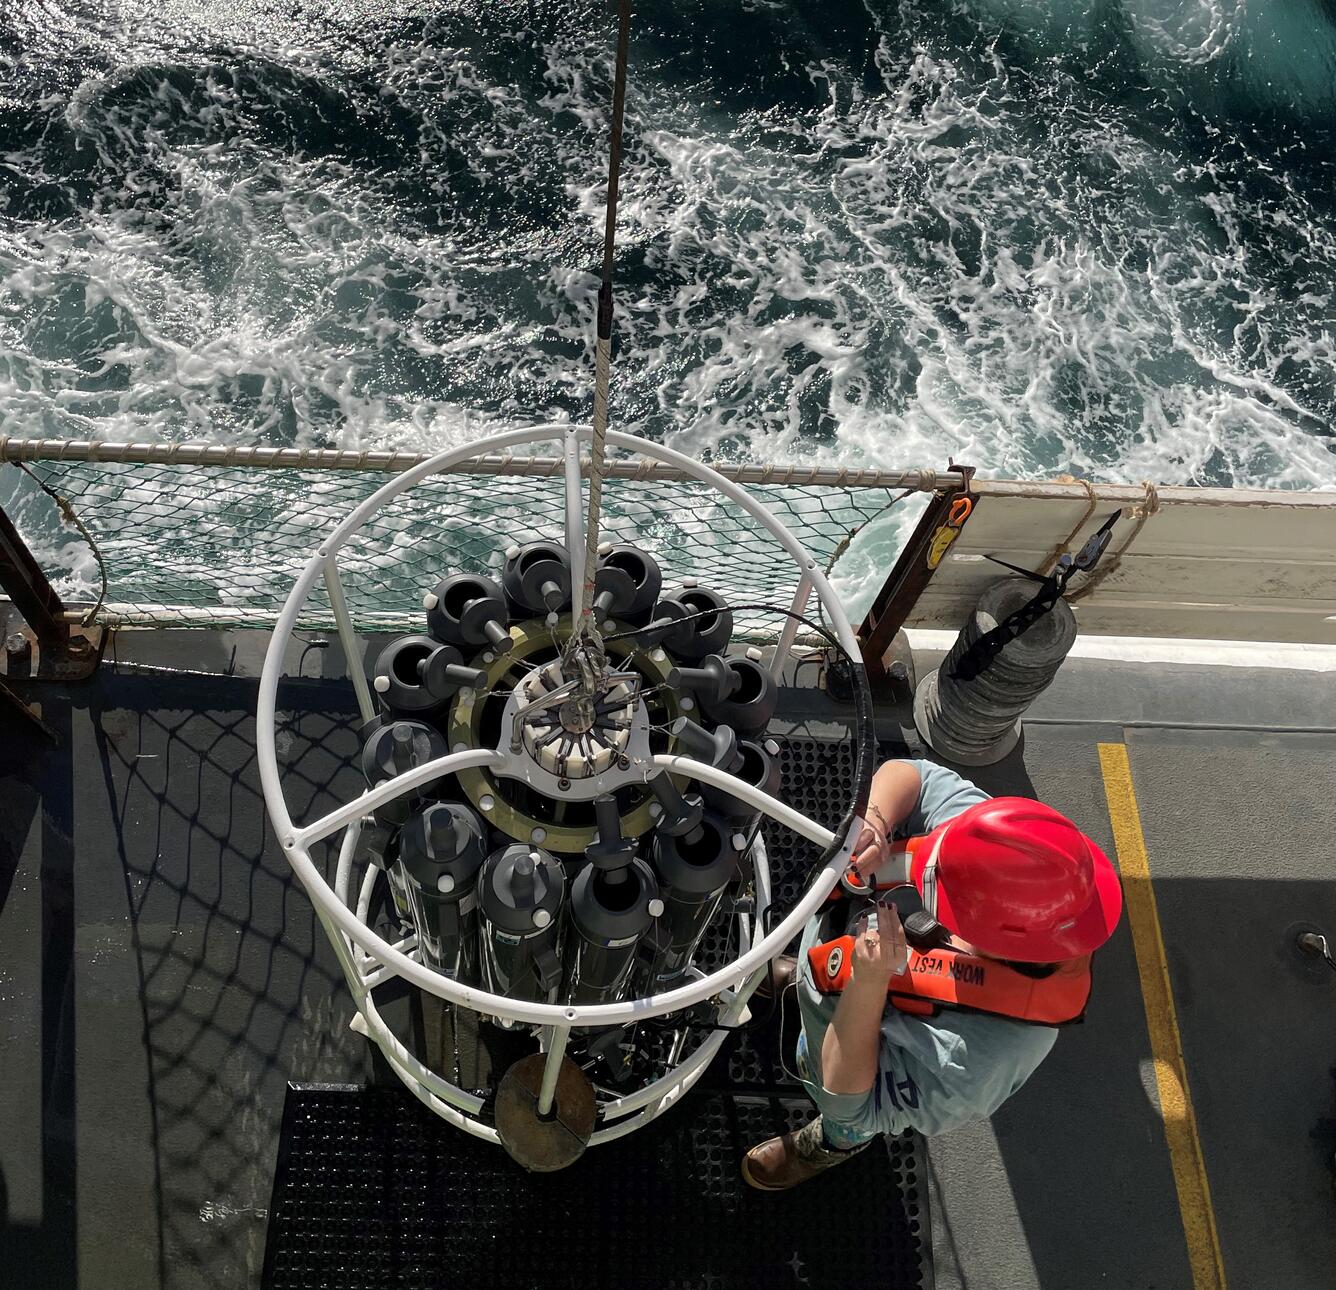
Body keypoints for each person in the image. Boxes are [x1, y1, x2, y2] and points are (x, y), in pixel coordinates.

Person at [741, 757, 1123, 1190]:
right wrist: (877, 819)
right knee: (814, 976)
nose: (928, 868)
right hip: (843, 959)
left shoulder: (977, 1064)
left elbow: (851, 1101)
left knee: (846, 1126)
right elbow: (916, 775)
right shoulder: (1000, 846)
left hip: (846, 1048)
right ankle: (804, 981)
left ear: (991, 939)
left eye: (944, 893)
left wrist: (867, 985)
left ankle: (827, 1147)